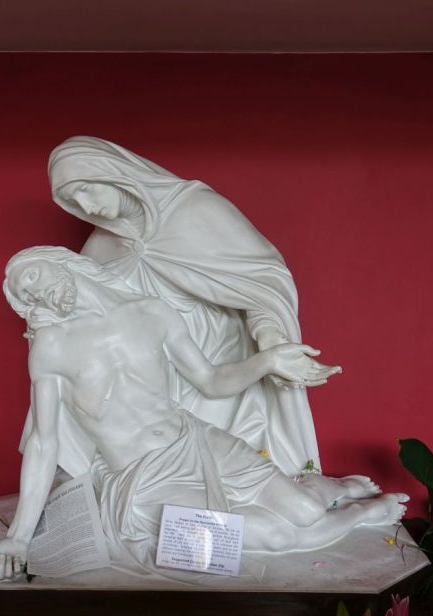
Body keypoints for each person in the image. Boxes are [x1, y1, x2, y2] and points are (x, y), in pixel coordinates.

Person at [0, 247, 407, 579]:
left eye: (30, 277)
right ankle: (361, 513)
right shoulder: (51, 348)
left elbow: (210, 380)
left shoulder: (151, 312)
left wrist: (268, 360)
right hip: (142, 481)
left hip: (197, 440)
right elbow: (43, 442)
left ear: (59, 261)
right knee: (277, 537)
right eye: (23, 295)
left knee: (305, 512)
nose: (31, 294)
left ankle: (325, 489)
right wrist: (18, 537)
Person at [42, 136, 328, 477]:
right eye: (74, 201)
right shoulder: (100, 248)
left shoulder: (197, 210)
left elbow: (262, 281)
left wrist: (268, 334)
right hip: (150, 373)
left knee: (209, 465)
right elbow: (82, 316)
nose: (87, 207)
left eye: (86, 189)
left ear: (111, 172)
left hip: (217, 359)